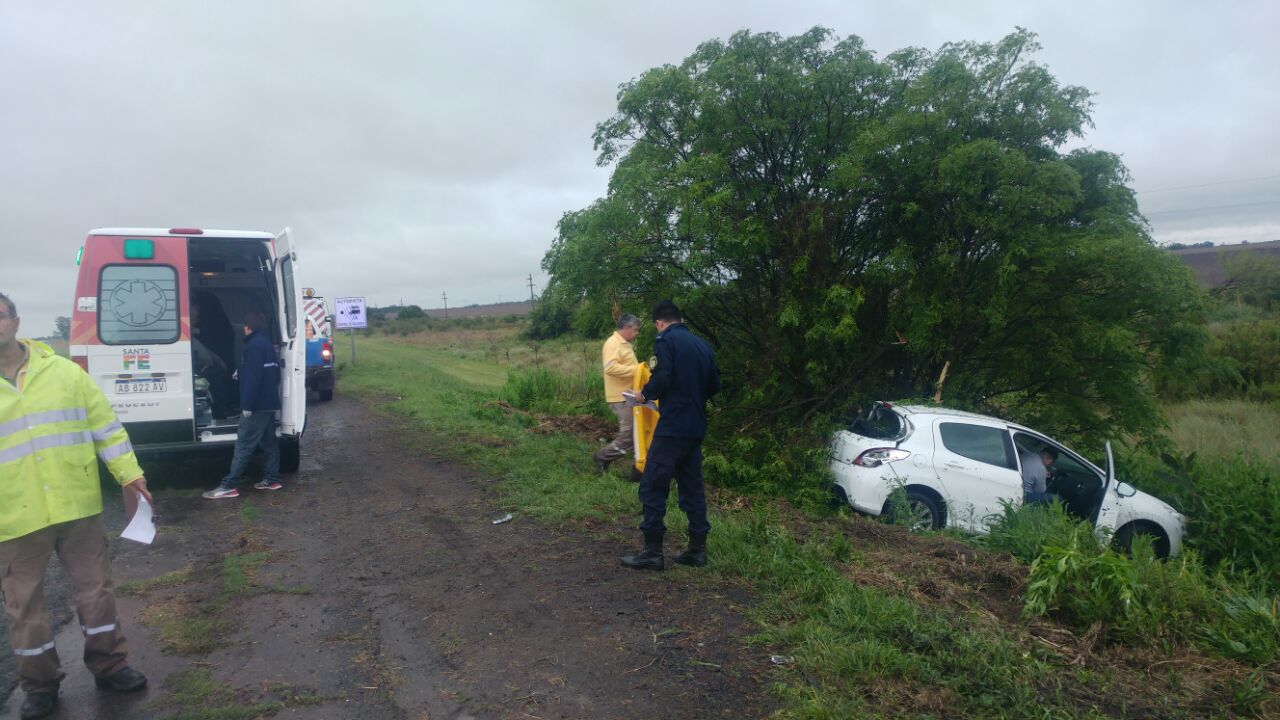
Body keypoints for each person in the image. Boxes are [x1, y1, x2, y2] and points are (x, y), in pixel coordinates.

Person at [0, 291, 150, 720]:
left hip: (76, 506)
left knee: (95, 591)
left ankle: (110, 665)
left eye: (0, 316)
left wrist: (131, 475)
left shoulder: (65, 374)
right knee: (23, 607)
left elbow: (107, 429)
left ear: (16, 321)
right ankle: (40, 685)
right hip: (13, 517)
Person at [621, 300, 720, 571]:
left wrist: (645, 394)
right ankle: (697, 550)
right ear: (679, 319)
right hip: (696, 425)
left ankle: (652, 552)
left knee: (652, 484)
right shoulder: (702, 346)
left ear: (659, 323)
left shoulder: (665, 341)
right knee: (692, 486)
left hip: (673, 426)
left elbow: (663, 376)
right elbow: (714, 384)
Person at [203, 309, 282, 499]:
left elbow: (254, 379)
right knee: (269, 443)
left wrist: (247, 406)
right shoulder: (266, 344)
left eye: (244, 327)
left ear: (248, 327)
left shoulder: (253, 346)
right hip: (268, 402)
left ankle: (229, 485)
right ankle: (272, 480)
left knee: (244, 444)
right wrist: (242, 371)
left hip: (257, 406)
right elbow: (271, 373)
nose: (243, 330)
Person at [593, 314, 640, 473]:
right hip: (620, 398)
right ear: (626, 328)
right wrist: (637, 370)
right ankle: (602, 457)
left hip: (629, 396)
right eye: (635, 330)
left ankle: (639, 469)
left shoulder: (624, 344)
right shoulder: (613, 343)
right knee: (628, 435)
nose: (636, 333)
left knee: (635, 435)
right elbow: (610, 368)